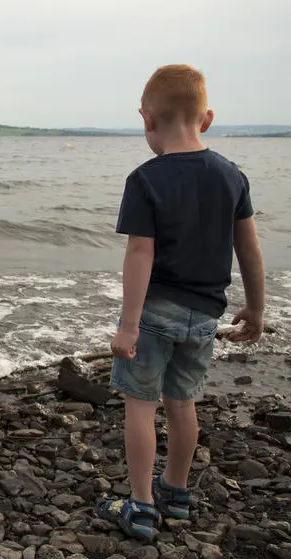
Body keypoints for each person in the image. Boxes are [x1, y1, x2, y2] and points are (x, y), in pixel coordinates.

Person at [95, 64, 266, 541]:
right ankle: (176, 491)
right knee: (182, 402)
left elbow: (139, 253)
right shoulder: (232, 176)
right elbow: (249, 250)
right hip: (205, 314)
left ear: (147, 120)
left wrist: (128, 326)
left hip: (155, 315)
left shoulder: (146, 179)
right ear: (206, 119)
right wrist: (256, 308)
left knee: (140, 405)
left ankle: (141, 507)